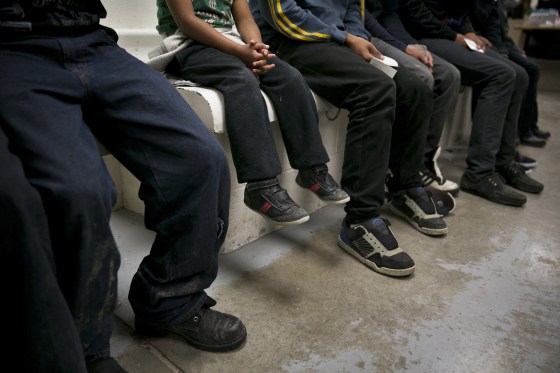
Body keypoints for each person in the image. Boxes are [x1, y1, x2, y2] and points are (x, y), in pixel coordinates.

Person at [0, 0, 246, 368]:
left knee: (199, 160)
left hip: (93, 41)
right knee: (78, 191)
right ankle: (87, 345)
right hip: (13, 50)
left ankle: (169, 299)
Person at [250, 0, 450, 278]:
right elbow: (279, 13)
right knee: (375, 90)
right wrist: (344, 38)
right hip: (289, 40)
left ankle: (404, 185)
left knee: (416, 90)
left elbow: (354, 8)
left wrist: (357, 37)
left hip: (337, 40)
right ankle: (361, 219)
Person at [149, 0, 349, 227]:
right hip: (189, 45)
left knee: (290, 78)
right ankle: (260, 186)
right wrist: (240, 52)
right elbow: (187, 22)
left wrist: (256, 49)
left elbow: (245, 20)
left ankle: (312, 169)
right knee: (241, 79)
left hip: (233, 43)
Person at [398, 0, 544, 206]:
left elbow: (461, 10)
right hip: (421, 35)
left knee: (518, 74)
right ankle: (479, 173)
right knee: (501, 74)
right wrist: (456, 36)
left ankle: (502, 161)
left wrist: (468, 32)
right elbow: (415, 12)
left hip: (449, 34)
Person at [364, 0, 462, 198]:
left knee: (450, 75)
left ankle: (421, 163)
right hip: (362, 32)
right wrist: (401, 47)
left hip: (386, 33)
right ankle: (399, 169)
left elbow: (389, 13)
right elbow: (361, 15)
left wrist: (407, 44)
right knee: (422, 76)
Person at [469, 0, 551, 148]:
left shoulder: (494, 3)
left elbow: (496, 28)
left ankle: (515, 140)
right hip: (475, 39)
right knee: (513, 73)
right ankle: (504, 147)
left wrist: (506, 51)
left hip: (494, 42)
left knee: (527, 71)